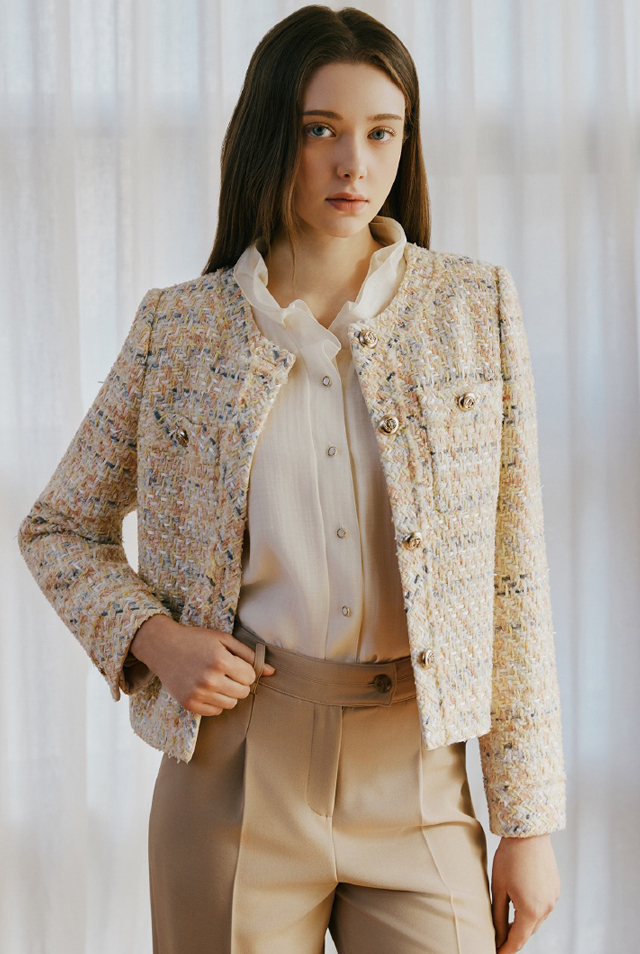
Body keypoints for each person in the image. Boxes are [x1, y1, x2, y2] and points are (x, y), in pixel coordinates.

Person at [17, 5, 567, 954]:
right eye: (322, 130)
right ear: (273, 135)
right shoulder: (179, 329)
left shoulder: (472, 308)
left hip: (419, 775)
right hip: (235, 773)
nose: (354, 163)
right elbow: (59, 527)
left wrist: (527, 823)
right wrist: (155, 639)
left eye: (382, 132)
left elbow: (512, 577)